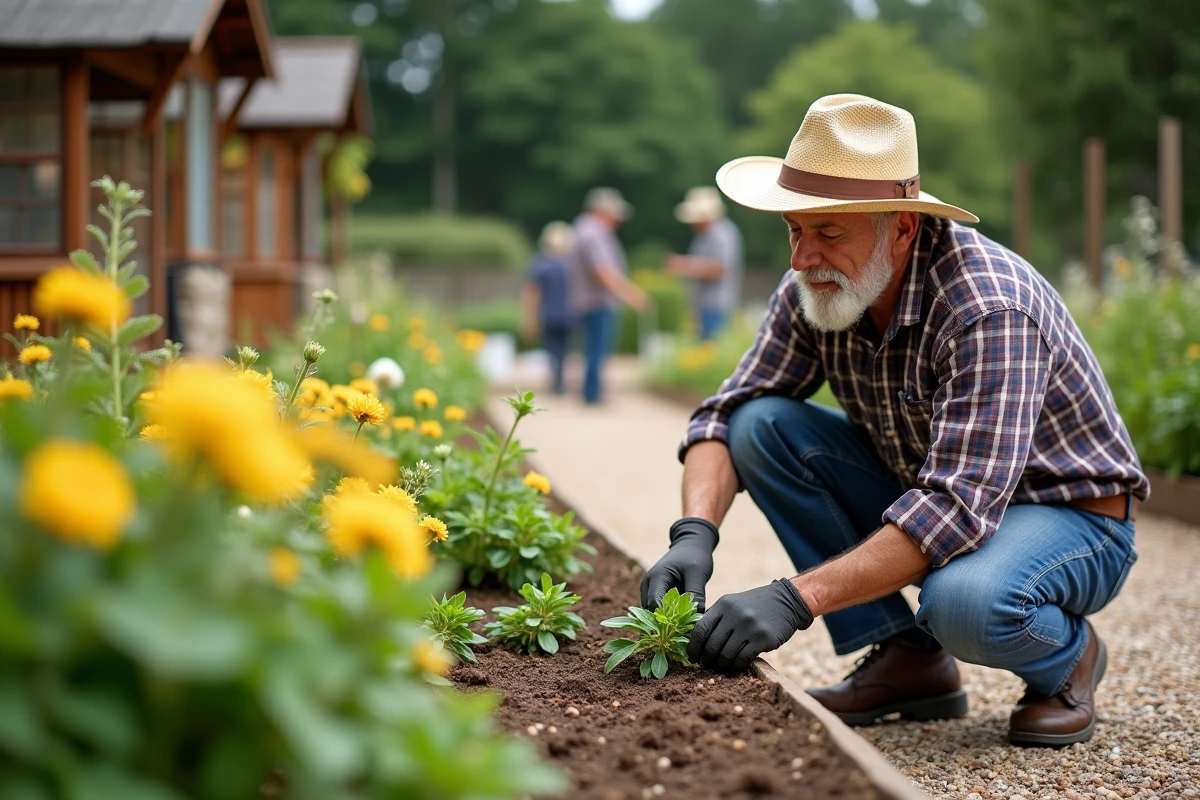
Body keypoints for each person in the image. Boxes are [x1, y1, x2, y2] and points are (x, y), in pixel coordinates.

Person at [640, 94, 1148, 747]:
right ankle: (910, 660)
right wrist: (694, 534)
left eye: (828, 233)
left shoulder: (986, 307)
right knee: (761, 426)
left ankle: (1067, 657)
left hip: (1068, 518)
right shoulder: (820, 283)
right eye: (795, 229)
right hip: (943, 497)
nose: (802, 257)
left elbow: (955, 510)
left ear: (902, 228)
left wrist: (795, 597)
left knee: (961, 602)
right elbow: (726, 411)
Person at [569, 187, 649, 404]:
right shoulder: (593, 233)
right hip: (597, 302)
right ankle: (592, 393)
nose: (617, 220)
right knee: (597, 349)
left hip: (588, 301)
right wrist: (631, 294)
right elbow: (603, 271)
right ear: (603, 211)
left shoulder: (583, 230)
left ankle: (592, 391)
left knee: (593, 349)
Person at [665, 186, 744, 341]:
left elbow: (719, 269)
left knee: (712, 349)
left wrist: (683, 266)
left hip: (716, 304)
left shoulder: (722, 234)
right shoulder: (704, 235)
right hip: (705, 303)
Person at [522, 221, 575, 395]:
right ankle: (560, 380)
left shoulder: (541, 264)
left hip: (549, 314)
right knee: (564, 349)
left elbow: (533, 293)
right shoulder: (570, 265)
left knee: (552, 349)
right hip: (569, 314)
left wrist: (529, 318)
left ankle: (556, 381)